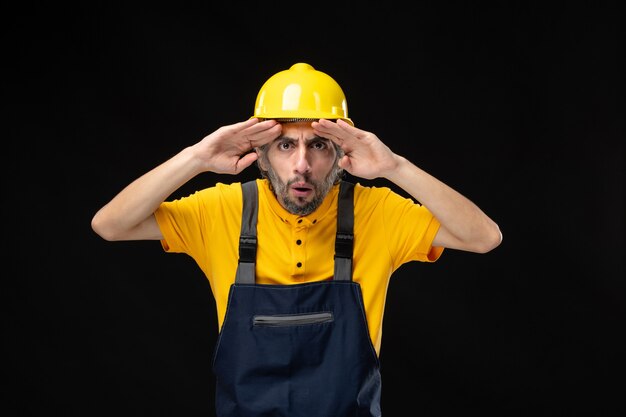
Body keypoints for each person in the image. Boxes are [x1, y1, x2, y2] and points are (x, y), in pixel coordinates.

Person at [91, 62, 502, 417]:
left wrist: (395, 167)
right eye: (286, 145)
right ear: (263, 154)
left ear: (341, 152)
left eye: (318, 145)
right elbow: (111, 225)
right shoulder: (223, 209)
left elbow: (483, 237)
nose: (301, 164)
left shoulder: (376, 212)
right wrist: (197, 157)